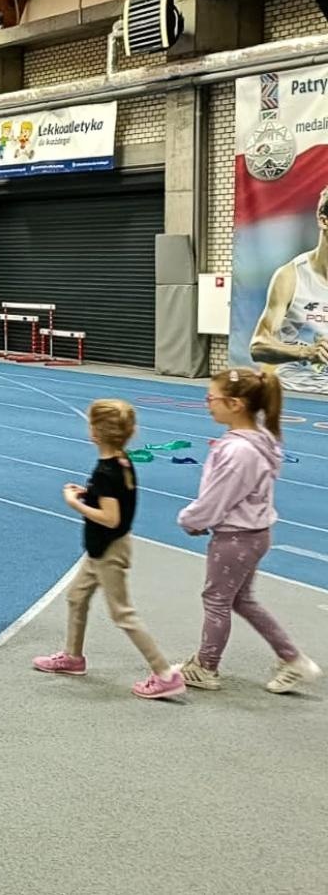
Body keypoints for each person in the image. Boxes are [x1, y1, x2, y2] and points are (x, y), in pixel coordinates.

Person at [177, 368, 320, 694]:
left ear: (236, 404)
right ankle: (292, 658)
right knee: (241, 600)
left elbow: (219, 497)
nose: (207, 404)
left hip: (236, 538)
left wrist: (191, 520)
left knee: (216, 600)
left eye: (211, 398)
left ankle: (205, 667)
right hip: (254, 534)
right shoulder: (259, 439)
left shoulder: (238, 451)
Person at [32, 400, 184, 699]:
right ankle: (73, 657)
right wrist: (89, 494)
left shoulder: (106, 472)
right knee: (76, 596)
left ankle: (164, 674)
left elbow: (111, 517)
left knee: (122, 613)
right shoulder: (121, 461)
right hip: (101, 547)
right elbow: (115, 499)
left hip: (109, 551)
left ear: (95, 433)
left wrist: (75, 504)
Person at [248, 185, 328, 393]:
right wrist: (307, 352)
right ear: (324, 220)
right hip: (295, 393)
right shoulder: (290, 277)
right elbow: (258, 346)